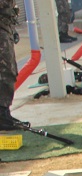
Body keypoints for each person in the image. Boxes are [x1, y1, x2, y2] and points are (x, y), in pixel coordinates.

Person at [0, 0, 27, 130]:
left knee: (9, 70)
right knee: (6, 71)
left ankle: (4, 112)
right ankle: (2, 114)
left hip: (5, 25)